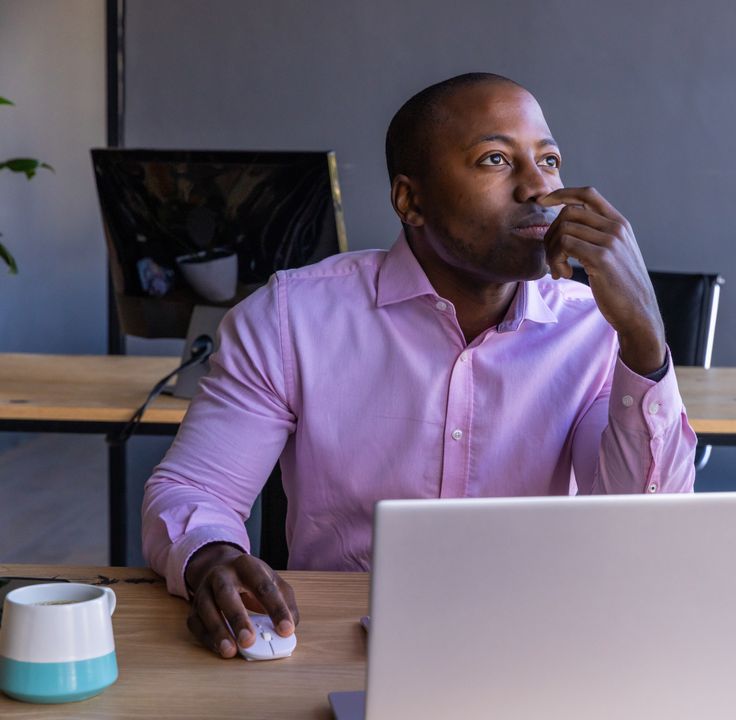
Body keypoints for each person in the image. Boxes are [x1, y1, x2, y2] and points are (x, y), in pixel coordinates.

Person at [141, 72, 697, 659]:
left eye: (550, 160)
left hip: (538, 644)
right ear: (411, 200)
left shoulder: (595, 331)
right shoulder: (290, 318)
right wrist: (211, 555)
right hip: (341, 643)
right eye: (495, 159)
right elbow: (194, 489)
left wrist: (644, 341)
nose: (539, 188)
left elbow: (641, 526)